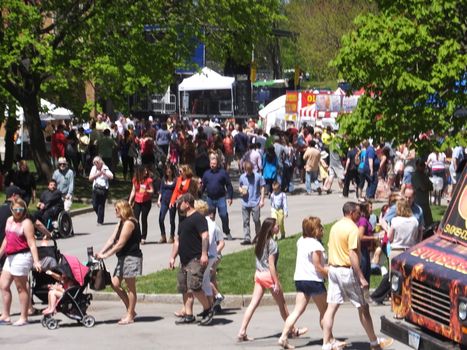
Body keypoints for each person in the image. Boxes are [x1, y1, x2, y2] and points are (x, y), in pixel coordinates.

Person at [321, 202, 393, 350]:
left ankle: (326, 343)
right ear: (351, 212)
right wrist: (360, 276)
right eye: (358, 213)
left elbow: (330, 247)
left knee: (331, 307)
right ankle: (374, 342)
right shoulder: (352, 228)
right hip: (346, 271)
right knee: (363, 307)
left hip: (333, 270)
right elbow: (352, 254)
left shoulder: (335, 226)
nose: (360, 215)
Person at [278, 216, 343, 349]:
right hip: (314, 281)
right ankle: (330, 339)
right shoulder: (316, 245)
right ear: (314, 230)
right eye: (320, 227)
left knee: (297, 311)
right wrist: (332, 274)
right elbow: (318, 266)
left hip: (300, 280)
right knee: (325, 312)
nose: (322, 229)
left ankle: (283, 336)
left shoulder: (300, 241)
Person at [237, 217, 304, 342]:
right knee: (282, 305)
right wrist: (276, 282)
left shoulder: (259, 240)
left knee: (252, 304)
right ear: (270, 228)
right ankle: (293, 330)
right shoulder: (272, 244)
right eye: (276, 225)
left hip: (259, 274)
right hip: (268, 276)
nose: (278, 227)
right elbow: (271, 264)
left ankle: (242, 331)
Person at [168, 193, 214, 326]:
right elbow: (177, 241)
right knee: (184, 288)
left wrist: (204, 254)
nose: (178, 205)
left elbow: (205, 236)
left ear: (187, 203)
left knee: (195, 287)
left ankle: (208, 309)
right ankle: (188, 315)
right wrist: (172, 257)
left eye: (179, 203)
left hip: (195, 258)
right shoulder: (182, 220)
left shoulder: (198, 218)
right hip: (184, 260)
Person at [96, 200, 142, 325]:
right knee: (115, 283)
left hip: (131, 257)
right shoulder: (121, 222)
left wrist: (106, 255)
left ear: (123, 209)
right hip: (123, 258)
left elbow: (120, 243)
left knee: (130, 288)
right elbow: (112, 239)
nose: (115, 211)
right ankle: (130, 310)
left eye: (117, 209)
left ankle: (130, 315)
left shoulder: (129, 223)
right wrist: (101, 252)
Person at [0, 198, 42, 326]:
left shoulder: (27, 223)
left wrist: (36, 261)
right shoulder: (9, 221)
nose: (18, 212)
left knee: (21, 288)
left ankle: (24, 317)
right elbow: (6, 239)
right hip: (10, 257)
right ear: (11, 209)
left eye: (21, 209)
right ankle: (6, 315)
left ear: (24, 210)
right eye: (16, 209)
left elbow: (32, 243)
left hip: (22, 256)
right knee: (4, 285)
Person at [201, 154, 234, 240]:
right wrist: (199, 195)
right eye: (211, 164)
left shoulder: (223, 173)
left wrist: (230, 197)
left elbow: (229, 185)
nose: (212, 165)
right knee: (210, 217)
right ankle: (211, 233)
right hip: (210, 198)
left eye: (214, 164)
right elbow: (203, 186)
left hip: (221, 198)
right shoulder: (206, 174)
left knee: (223, 215)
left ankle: (226, 231)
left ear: (217, 163)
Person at [387, 198, 421, 269]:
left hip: (396, 250)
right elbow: (416, 237)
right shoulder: (415, 221)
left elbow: (389, 237)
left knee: (394, 276)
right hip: (410, 251)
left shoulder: (395, 220)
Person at [239, 161, 265, 245]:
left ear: (252, 169)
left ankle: (259, 237)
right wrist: (241, 191)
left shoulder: (258, 176)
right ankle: (247, 238)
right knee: (245, 221)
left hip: (255, 201)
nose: (249, 172)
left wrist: (262, 200)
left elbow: (262, 187)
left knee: (256, 220)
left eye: (250, 170)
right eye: (247, 170)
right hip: (245, 202)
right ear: (245, 169)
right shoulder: (242, 177)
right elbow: (240, 186)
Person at [128, 165, 154, 245]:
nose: (146, 172)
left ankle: (143, 237)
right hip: (137, 201)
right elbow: (133, 191)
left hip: (146, 202)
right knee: (136, 219)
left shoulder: (148, 180)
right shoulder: (135, 180)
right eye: (144, 171)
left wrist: (146, 190)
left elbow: (152, 190)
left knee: (143, 218)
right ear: (140, 172)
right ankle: (137, 236)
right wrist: (129, 201)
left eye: (146, 171)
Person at [357, 201, 378, 285]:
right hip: (362, 250)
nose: (372, 209)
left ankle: (365, 295)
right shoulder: (363, 221)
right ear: (365, 209)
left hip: (366, 250)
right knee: (364, 272)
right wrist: (374, 237)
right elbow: (360, 236)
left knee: (367, 272)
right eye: (370, 207)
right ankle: (363, 295)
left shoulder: (366, 219)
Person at [89, 156, 114, 225]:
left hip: (103, 189)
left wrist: (104, 173)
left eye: (96, 162)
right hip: (95, 188)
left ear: (100, 162)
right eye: (94, 162)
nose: (95, 164)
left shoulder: (105, 168)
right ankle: (100, 215)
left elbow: (111, 176)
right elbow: (90, 178)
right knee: (94, 205)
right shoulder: (94, 168)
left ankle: (100, 221)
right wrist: (97, 174)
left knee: (101, 205)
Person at [157, 164, 177, 244]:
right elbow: (161, 190)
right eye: (167, 170)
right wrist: (159, 200)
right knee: (161, 219)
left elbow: (177, 191)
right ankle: (163, 236)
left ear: (172, 170)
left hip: (172, 202)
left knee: (172, 220)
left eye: (170, 170)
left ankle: (172, 236)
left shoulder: (175, 180)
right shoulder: (163, 179)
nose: (168, 171)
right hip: (164, 201)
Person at [411, 158, 433, 227]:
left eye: (423, 165)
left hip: (426, 202)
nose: (423, 167)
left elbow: (431, 187)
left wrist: (427, 187)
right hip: (419, 202)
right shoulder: (415, 176)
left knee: (429, 222)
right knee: (420, 222)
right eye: (421, 165)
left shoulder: (425, 175)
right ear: (417, 165)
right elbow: (423, 188)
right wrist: (427, 187)